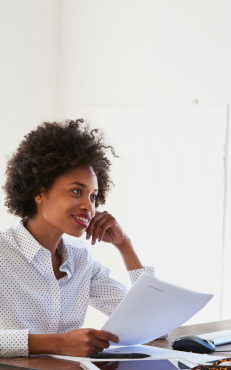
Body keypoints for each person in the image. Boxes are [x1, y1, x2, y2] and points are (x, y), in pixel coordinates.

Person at [0, 119, 155, 357]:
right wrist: (57, 343)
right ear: (39, 192)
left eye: (93, 196)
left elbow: (150, 323)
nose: (89, 207)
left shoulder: (80, 258)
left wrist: (125, 246)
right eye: (76, 191)